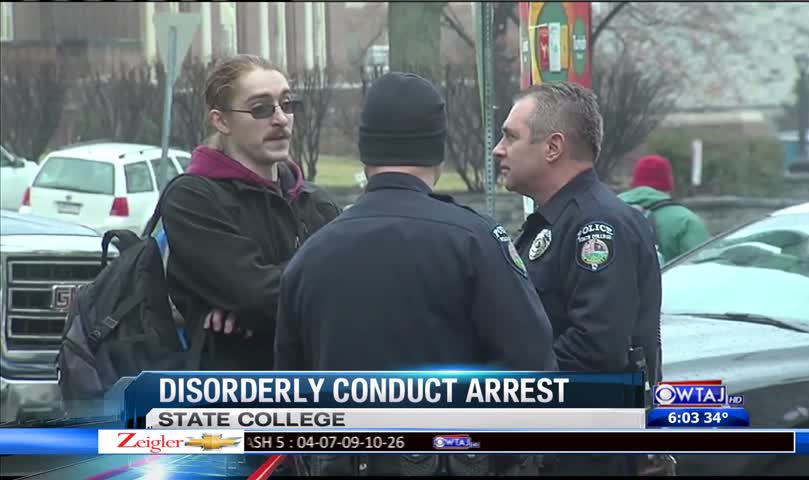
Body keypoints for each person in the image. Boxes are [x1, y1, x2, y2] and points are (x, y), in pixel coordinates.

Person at [275, 72, 557, 476]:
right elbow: (531, 367)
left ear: (364, 151)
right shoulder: (475, 241)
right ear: (437, 152)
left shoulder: (311, 255)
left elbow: (289, 394)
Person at [493, 81, 663, 476]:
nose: (499, 149)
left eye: (510, 137)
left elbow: (597, 345)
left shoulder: (596, 225)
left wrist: (511, 387)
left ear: (553, 147)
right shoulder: (556, 220)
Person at [159, 54, 341, 372]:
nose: (281, 119)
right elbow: (256, 295)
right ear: (221, 121)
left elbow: (358, 285)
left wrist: (251, 312)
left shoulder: (316, 203)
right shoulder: (192, 200)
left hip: (313, 397)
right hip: (230, 401)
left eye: (287, 104)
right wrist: (255, 304)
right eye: (261, 108)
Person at [619, 154, 711, 263]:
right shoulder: (685, 220)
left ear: (634, 183)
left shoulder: (608, 210)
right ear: (669, 183)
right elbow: (705, 265)